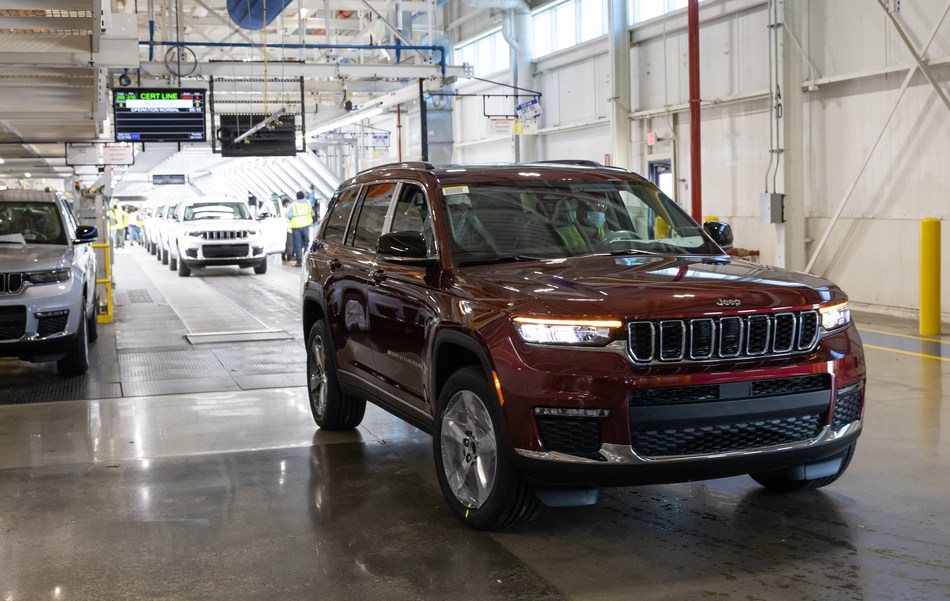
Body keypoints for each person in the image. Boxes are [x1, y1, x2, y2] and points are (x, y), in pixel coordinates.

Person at [285, 191, 312, 266]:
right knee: (306, 243)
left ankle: (299, 261)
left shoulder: (293, 205)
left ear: (296, 197)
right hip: (306, 225)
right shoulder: (308, 203)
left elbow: (289, 216)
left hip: (296, 226)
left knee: (297, 244)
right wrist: (312, 191)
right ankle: (307, 260)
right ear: (303, 196)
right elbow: (313, 199)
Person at [281, 198, 293, 264]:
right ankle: (289, 257)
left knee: (283, 244)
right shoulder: (287, 209)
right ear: (286, 203)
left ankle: (283, 257)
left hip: (282, 229)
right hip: (288, 228)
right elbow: (289, 217)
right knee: (289, 244)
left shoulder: (280, 210)